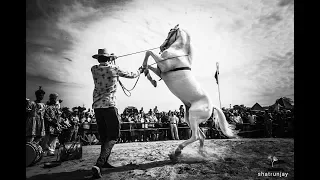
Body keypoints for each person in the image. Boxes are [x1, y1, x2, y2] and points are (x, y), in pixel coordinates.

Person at [90, 48, 142, 178]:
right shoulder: (114, 69)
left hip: (97, 106)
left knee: (104, 135)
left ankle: (104, 161)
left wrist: (110, 60)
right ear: (108, 59)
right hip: (109, 105)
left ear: (98, 59)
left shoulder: (93, 69)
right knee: (114, 135)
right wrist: (140, 70)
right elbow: (132, 74)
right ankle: (99, 164)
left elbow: (104, 67)